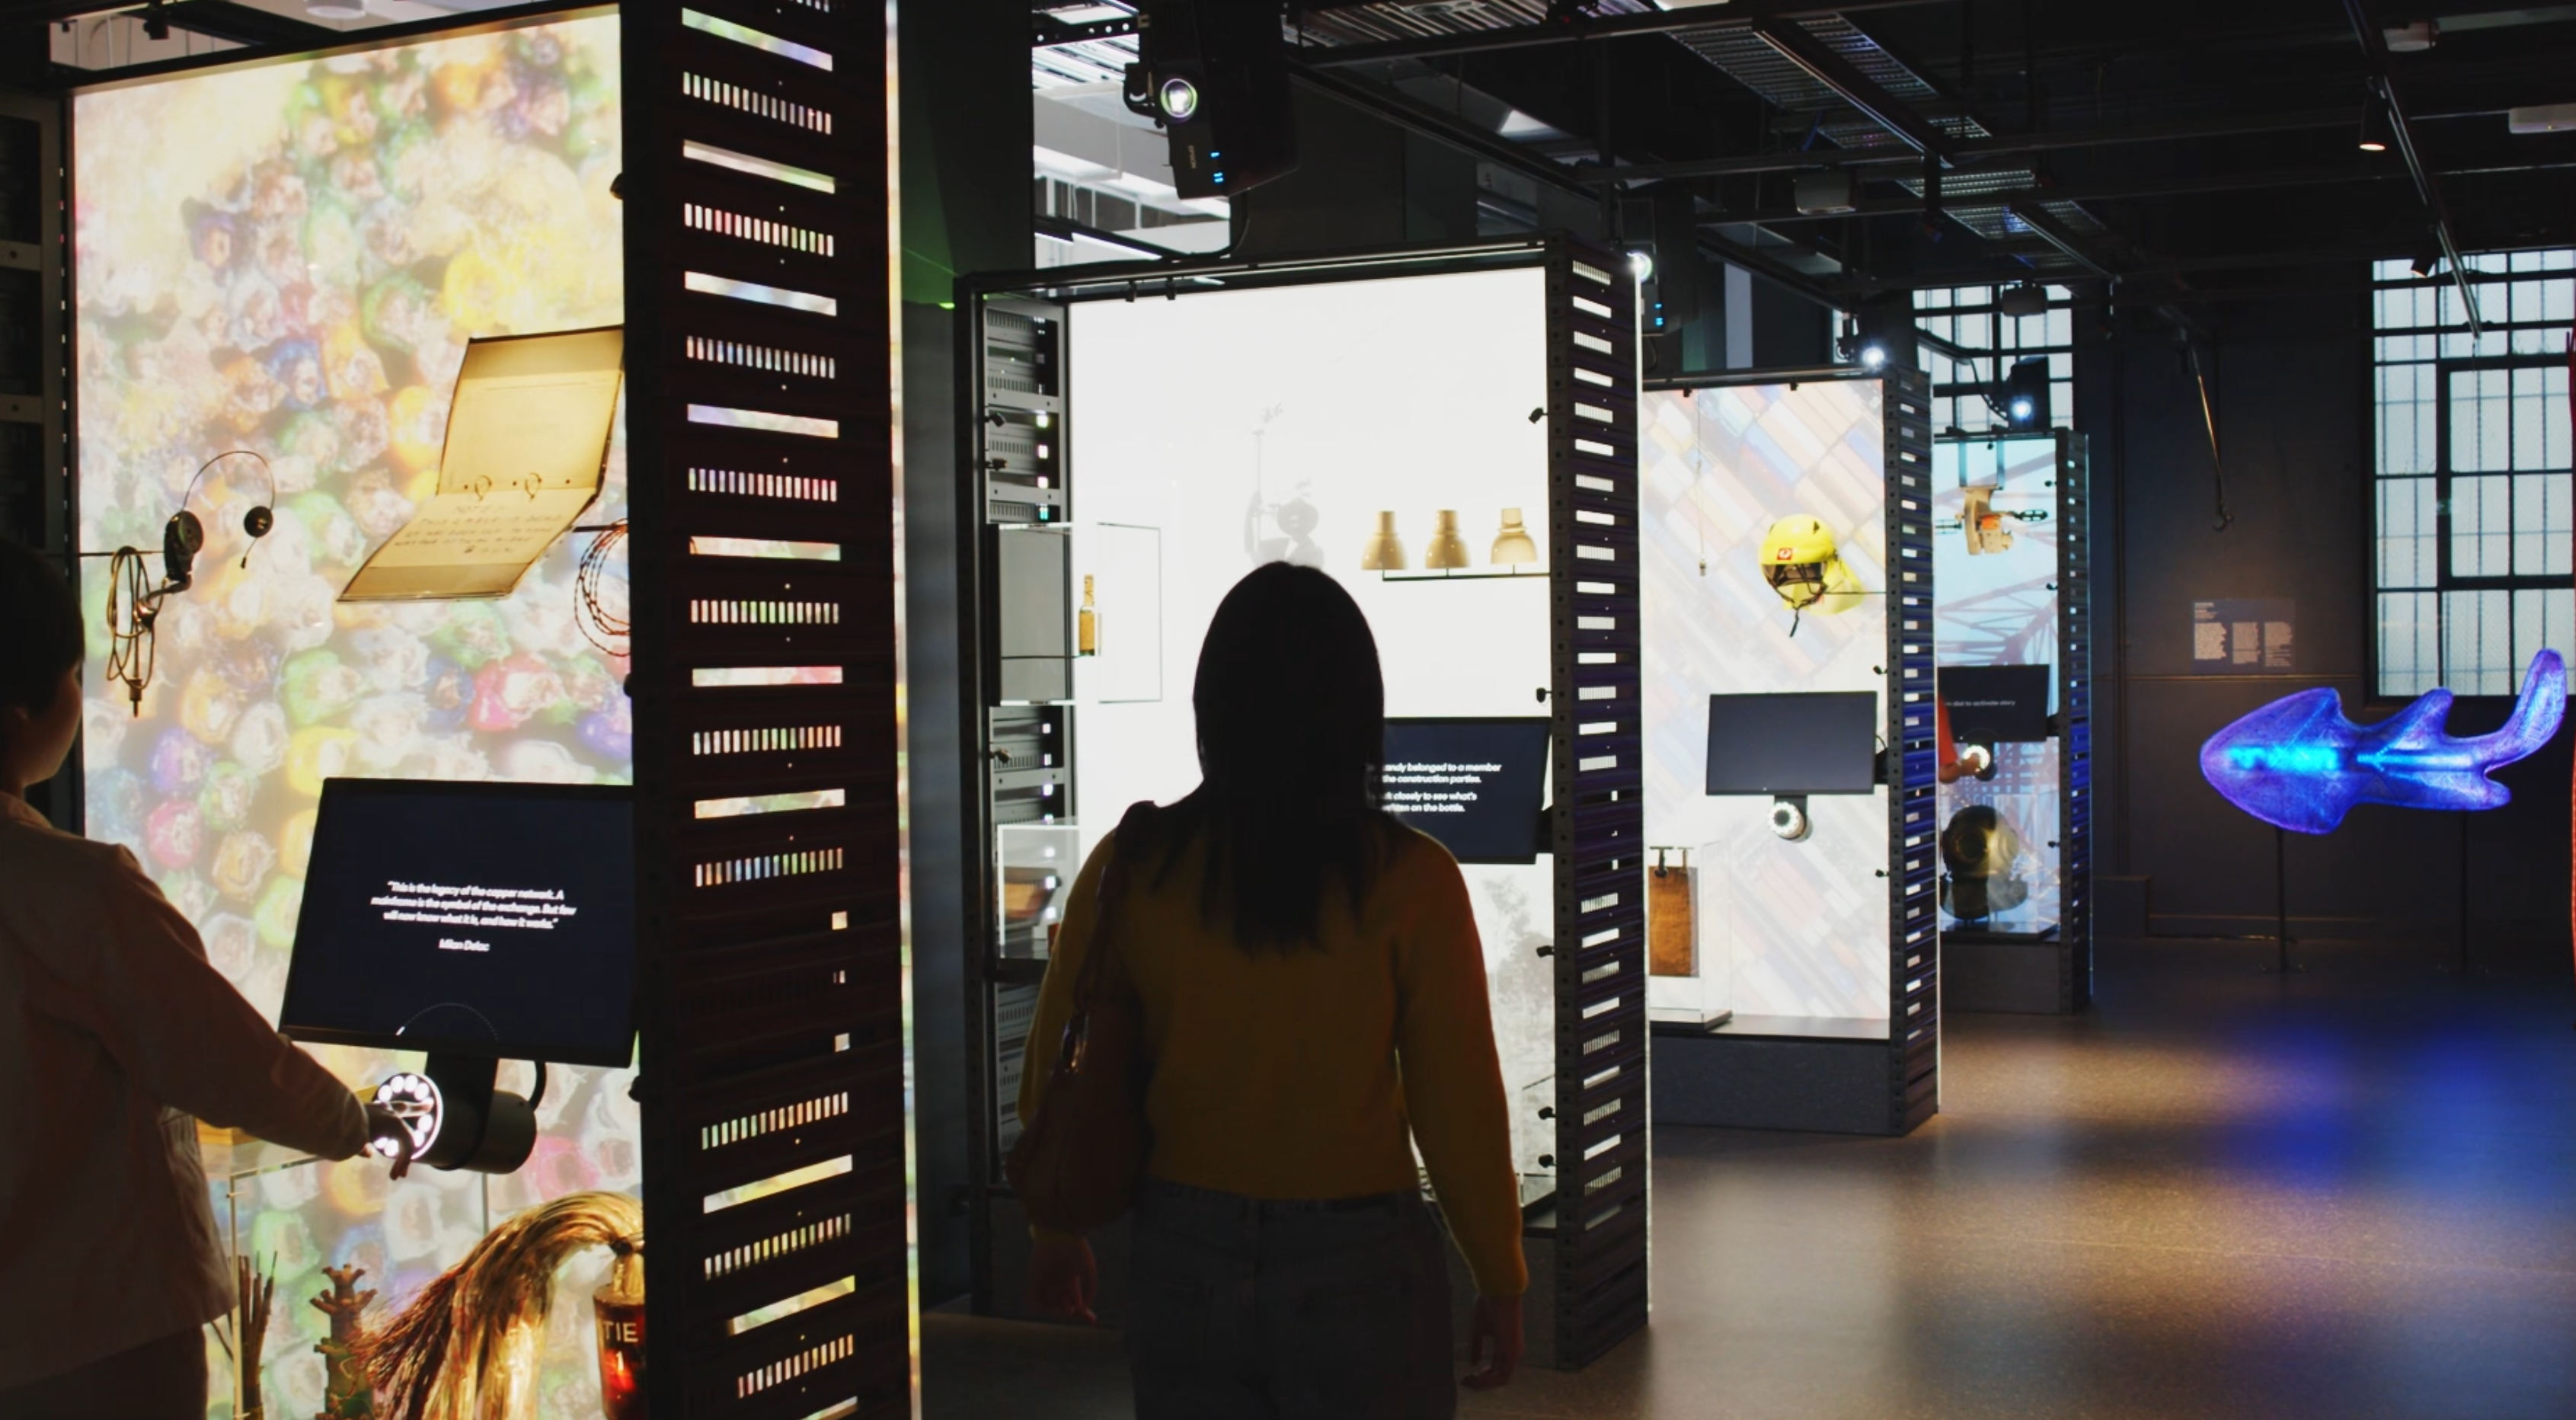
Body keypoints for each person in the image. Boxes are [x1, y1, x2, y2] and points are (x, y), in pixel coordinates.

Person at [1021, 562, 1525, 1418]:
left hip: (1182, 1245)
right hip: (1362, 1255)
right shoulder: (1411, 880)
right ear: (1356, 710)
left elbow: (1057, 1058)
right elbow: (1459, 1106)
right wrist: (1500, 1275)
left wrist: (1054, 1228)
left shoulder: (1136, 862)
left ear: (1211, 704)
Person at [0, 538, 414, 1418]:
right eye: (77, 672)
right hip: (95, 1339)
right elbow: (226, 1062)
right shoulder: (79, 890)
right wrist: (358, 1122)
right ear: (23, 706)